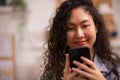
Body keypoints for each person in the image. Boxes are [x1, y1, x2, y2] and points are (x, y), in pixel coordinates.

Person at [41, 0, 120, 80]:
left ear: (96, 27)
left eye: (85, 26)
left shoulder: (116, 70)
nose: (79, 35)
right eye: (70, 28)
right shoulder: (51, 75)